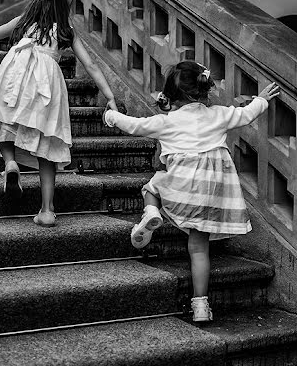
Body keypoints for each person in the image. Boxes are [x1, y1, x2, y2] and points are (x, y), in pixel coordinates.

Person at [103, 61, 280, 322]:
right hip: (211, 192)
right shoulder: (218, 114)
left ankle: (151, 212)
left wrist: (110, 116)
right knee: (199, 248)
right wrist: (262, 100)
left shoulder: (166, 121)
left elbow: (134, 125)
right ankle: (200, 305)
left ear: (172, 95)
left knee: (152, 187)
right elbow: (246, 114)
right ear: (204, 90)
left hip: (180, 184)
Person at [0, 0, 118, 227]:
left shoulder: (24, 21)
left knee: (4, 121)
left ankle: (11, 162)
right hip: (47, 80)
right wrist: (110, 97)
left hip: (16, 71)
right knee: (46, 142)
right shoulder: (66, 30)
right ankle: (47, 210)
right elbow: (90, 64)